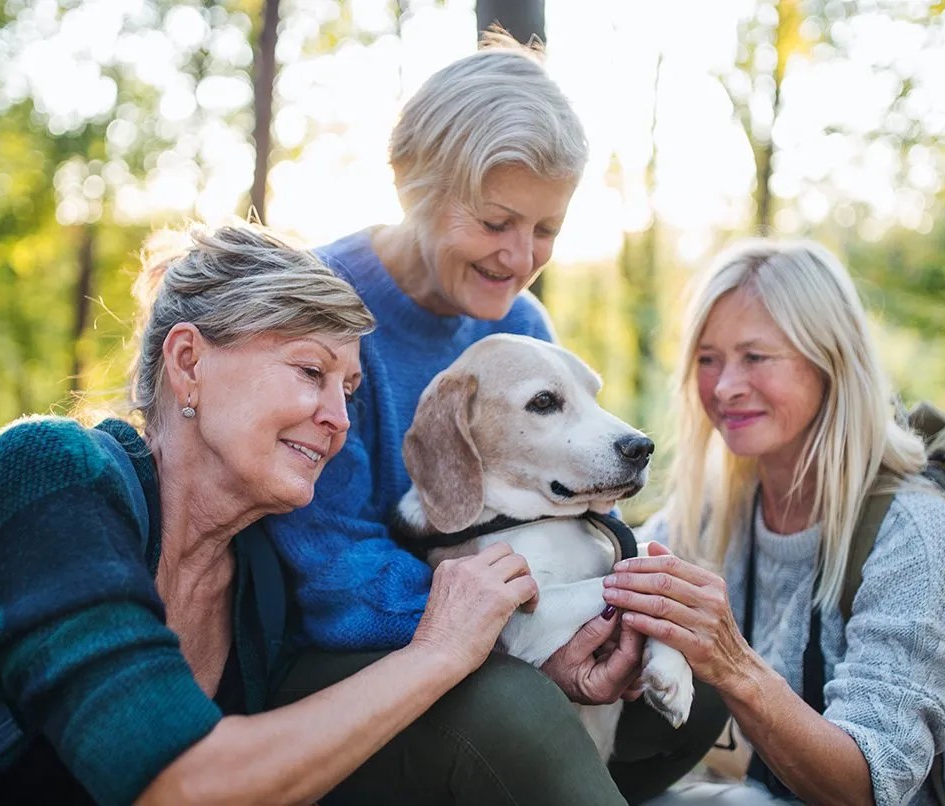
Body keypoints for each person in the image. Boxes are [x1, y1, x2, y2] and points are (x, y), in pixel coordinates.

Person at [0, 223, 545, 804]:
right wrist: (437, 652)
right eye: (310, 371)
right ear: (188, 362)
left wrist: (555, 650)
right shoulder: (51, 476)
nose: (340, 420)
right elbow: (180, 783)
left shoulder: (262, 565)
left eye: (348, 391)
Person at [265, 32, 728, 804]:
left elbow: (563, 498)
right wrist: (517, 627)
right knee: (519, 709)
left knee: (702, 686)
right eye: (495, 222)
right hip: (333, 653)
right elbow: (323, 570)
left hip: (500, 617)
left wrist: (602, 612)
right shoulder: (321, 312)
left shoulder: (521, 327)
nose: (520, 257)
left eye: (546, 230)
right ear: (417, 187)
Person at [603, 239, 945, 804]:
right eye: (708, 359)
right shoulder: (711, 512)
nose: (724, 386)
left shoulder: (913, 533)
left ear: (829, 361)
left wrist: (733, 665)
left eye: (755, 357)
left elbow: (869, 787)